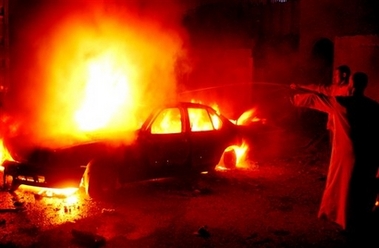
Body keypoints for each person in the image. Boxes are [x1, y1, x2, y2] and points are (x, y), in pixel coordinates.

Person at [291, 72, 379, 246]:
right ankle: (360, 218)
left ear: (352, 85)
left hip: (346, 154)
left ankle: (346, 221)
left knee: (344, 186)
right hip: (368, 154)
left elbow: (315, 99)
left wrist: (295, 99)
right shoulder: (374, 106)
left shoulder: (342, 103)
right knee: (361, 186)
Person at [290, 65, 352, 145]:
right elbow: (318, 88)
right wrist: (299, 86)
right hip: (334, 124)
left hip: (344, 125)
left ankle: (296, 100)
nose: (334, 77)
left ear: (344, 75)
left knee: (313, 97)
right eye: (334, 75)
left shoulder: (349, 90)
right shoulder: (333, 89)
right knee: (335, 147)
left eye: (337, 75)